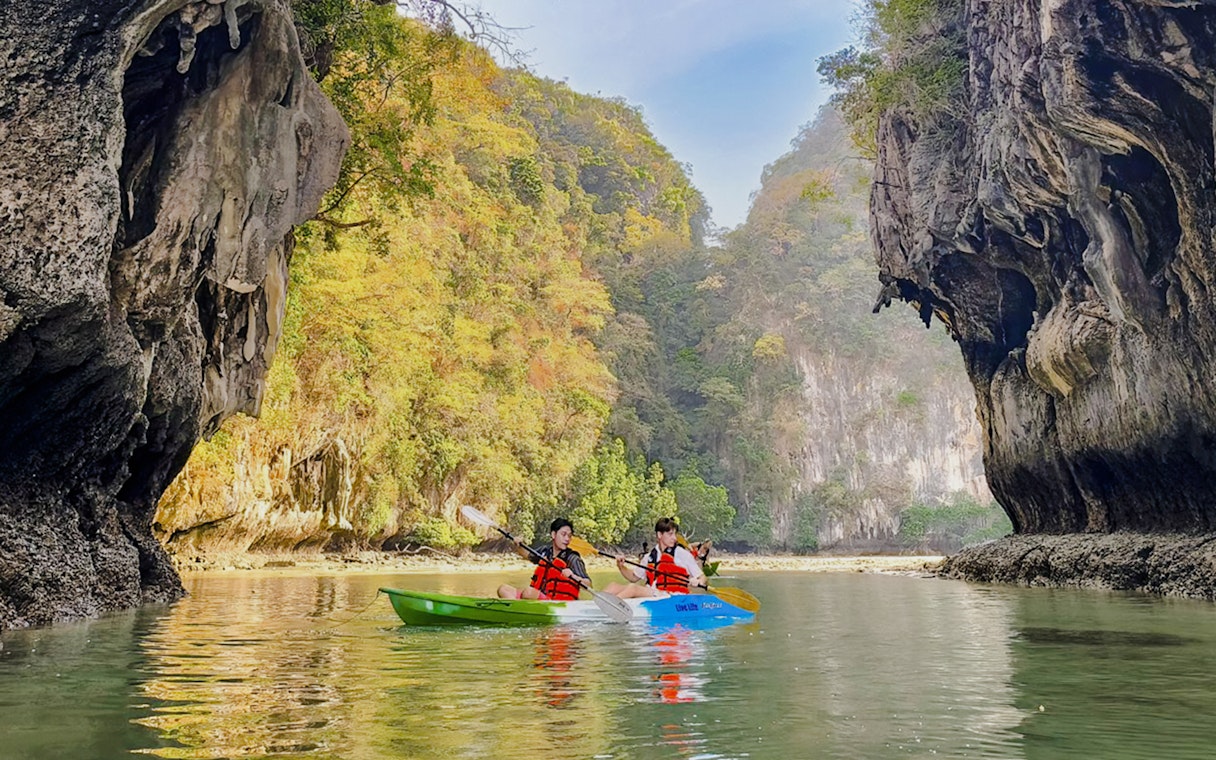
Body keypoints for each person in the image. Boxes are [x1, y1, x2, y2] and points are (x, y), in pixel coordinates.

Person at [605, 517, 706, 599]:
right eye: (670, 534)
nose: (674, 538)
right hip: (654, 594)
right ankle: (595, 606)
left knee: (633, 589)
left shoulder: (683, 554)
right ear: (659, 534)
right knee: (613, 586)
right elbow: (633, 577)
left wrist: (698, 582)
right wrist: (621, 566)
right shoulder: (649, 557)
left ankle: (612, 607)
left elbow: (702, 577)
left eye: (675, 534)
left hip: (673, 596)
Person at [497, 518, 591, 601]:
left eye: (569, 536)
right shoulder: (545, 552)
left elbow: (588, 584)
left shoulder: (572, 558)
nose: (567, 539)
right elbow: (528, 555)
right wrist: (518, 546)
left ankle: (518, 607)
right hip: (538, 596)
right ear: (553, 534)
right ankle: (517, 608)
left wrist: (573, 576)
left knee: (528, 592)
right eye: (563, 534)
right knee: (503, 589)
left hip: (557, 602)